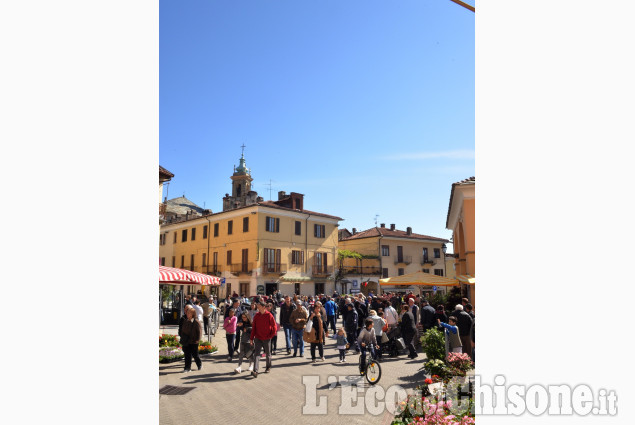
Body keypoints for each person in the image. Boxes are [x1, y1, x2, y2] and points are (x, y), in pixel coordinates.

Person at [249, 301, 277, 378]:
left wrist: (271, 335)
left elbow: (274, 326)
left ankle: (268, 367)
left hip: (267, 338)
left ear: (263, 307)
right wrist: (251, 338)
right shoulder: (256, 316)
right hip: (258, 338)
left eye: (259, 306)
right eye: (257, 305)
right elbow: (254, 328)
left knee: (268, 354)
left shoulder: (269, 315)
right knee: (256, 354)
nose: (257, 307)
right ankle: (255, 370)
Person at [178, 306, 202, 372]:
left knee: (195, 354)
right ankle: (187, 368)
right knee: (187, 355)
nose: (187, 314)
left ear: (193, 314)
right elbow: (183, 330)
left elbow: (199, 332)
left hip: (194, 342)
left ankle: (199, 364)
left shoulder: (196, 322)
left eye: (189, 313)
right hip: (187, 341)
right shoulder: (185, 321)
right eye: (187, 313)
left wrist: (197, 340)